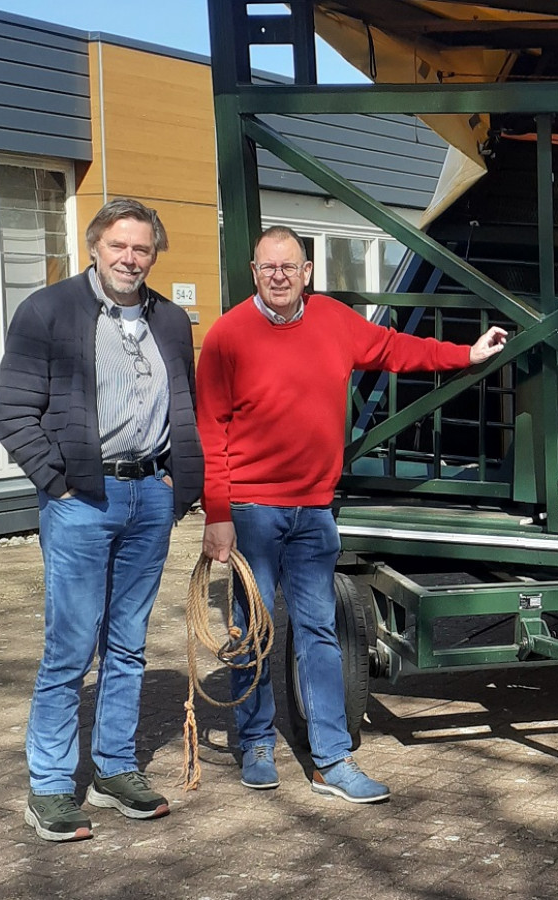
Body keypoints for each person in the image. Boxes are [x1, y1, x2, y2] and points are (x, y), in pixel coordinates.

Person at [197, 226, 506, 803]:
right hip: (252, 511)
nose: (279, 276)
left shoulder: (335, 321)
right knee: (254, 628)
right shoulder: (226, 336)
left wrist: (464, 355)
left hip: (314, 510)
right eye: (269, 267)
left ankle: (330, 759)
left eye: (289, 266)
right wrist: (217, 513)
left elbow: (395, 349)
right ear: (253, 270)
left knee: (319, 633)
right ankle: (257, 740)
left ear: (307, 271)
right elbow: (210, 430)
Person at [0, 198, 204, 842]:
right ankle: (52, 787)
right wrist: (58, 484)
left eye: (142, 249)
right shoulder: (48, 311)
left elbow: (181, 403)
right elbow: (12, 413)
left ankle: (114, 769)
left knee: (128, 643)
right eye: (119, 246)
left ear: (154, 254)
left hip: (149, 500)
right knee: (70, 647)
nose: (129, 259)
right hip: (82, 498)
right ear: (95, 246)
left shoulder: (170, 320)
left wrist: (179, 478)